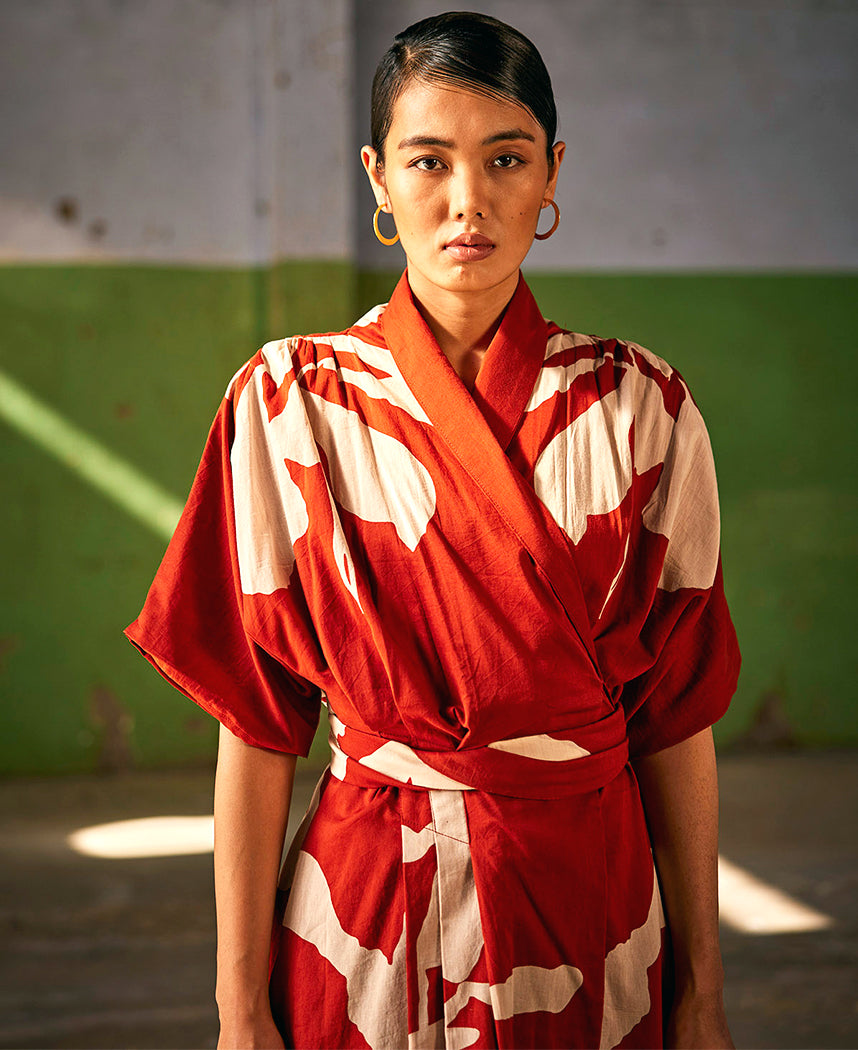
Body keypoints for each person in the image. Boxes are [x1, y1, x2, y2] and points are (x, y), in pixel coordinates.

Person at [126, 11, 741, 1049]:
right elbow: (258, 726)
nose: (469, 201)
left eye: (507, 159)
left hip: (594, 911)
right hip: (365, 919)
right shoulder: (288, 403)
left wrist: (703, 995)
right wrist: (238, 1008)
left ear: (552, 174)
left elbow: (676, 720)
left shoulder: (640, 406)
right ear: (377, 177)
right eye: (428, 161)